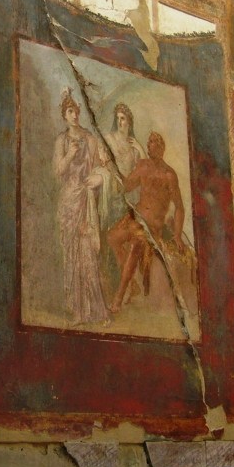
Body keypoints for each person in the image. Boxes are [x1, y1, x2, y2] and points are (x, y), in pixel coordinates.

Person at [106, 131, 185, 314]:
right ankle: (131, 283)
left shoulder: (169, 175)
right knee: (112, 237)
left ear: (162, 148)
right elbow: (127, 186)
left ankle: (119, 296)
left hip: (152, 226)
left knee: (135, 244)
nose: (150, 145)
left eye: (154, 142)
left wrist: (177, 235)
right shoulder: (143, 166)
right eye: (149, 142)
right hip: (135, 219)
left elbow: (180, 208)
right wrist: (112, 167)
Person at [53, 89, 109, 325]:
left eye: (76, 110)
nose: (75, 115)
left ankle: (98, 311)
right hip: (69, 201)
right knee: (72, 257)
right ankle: (77, 312)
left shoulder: (91, 140)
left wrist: (101, 174)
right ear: (64, 115)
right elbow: (58, 171)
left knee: (88, 256)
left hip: (86, 200)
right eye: (70, 111)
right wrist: (69, 155)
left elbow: (101, 169)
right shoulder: (62, 140)